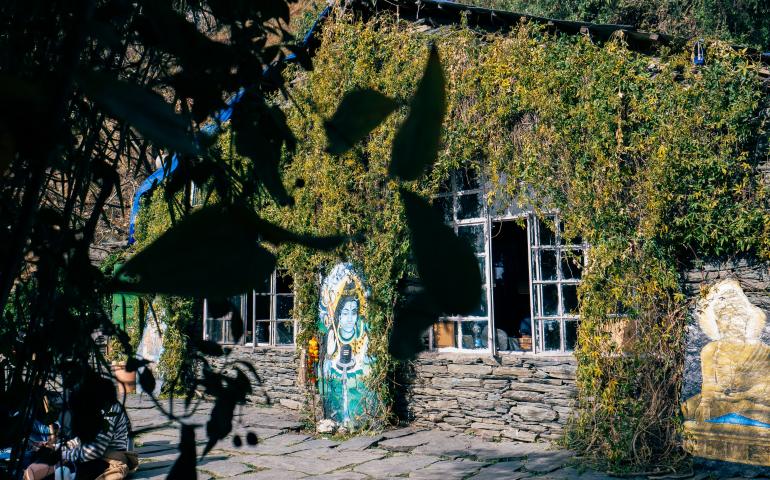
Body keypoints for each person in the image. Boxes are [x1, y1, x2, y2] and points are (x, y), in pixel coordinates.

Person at [24, 374, 137, 480]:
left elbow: (95, 450)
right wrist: (56, 447)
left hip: (109, 458)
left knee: (69, 469)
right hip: (93, 455)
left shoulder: (110, 409)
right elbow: (80, 441)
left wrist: (61, 454)